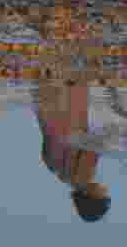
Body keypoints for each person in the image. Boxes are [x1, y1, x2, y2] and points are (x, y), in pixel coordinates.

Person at [34, 80, 113, 222]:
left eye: (104, 196)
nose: (105, 191)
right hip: (44, 100)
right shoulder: (54, 169)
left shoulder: (84, 176)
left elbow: (95, 144)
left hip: (70, 102)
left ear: (93, 196)